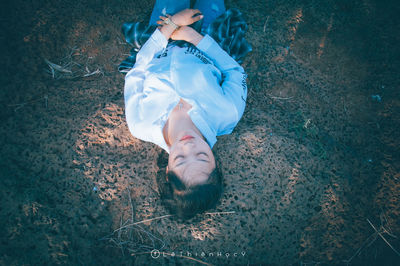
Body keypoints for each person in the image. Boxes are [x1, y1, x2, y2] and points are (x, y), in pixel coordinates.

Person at [121, 0, 251, 219]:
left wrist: (170, 26)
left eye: (180, 159)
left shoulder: (140, 125)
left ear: (167, 170)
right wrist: (195, 38)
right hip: (208, 42)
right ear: (215, 163)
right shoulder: (227, 114)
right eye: (201, 156)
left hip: (160, 40)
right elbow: (235, 73)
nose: (189, 146)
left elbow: (136, 73)